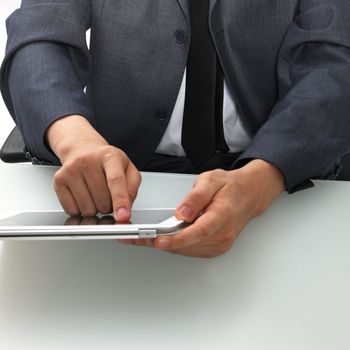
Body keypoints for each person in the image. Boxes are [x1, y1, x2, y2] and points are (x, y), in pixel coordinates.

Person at [1, 0, 350, 258]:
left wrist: (259, 182)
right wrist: (75, 140)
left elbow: (334, 67)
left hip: (275, 180)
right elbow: (38, 39)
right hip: (122, 182)